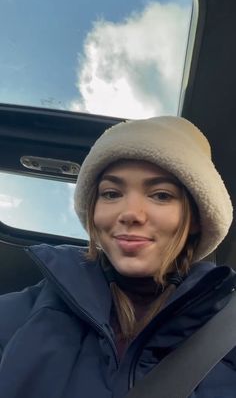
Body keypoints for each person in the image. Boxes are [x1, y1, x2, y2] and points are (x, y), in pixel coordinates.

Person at [0, 116, 235, 398]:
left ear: (196, 218)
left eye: (160, 195)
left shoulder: (226, 330)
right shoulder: (32, 309)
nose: (130, 213)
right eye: (111, 193)